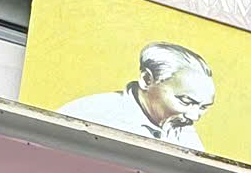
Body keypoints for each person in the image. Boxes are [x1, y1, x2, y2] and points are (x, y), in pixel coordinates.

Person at [58, 43, 216, 148]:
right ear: (147, 80)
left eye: (203, 107)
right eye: (185, 101)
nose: (194, 116)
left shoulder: (183, 130)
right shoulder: (88, 114)